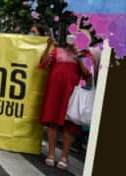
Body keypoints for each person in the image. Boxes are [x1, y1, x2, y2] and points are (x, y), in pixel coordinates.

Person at [39, 33, 92, 169]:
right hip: (54, 92)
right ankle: (51, 154)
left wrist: (79, 55)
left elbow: (87, 73)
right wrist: (49, 45)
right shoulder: (57, 51)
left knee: (70, 125)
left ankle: (64, 157)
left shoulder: (86, 55)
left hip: (71, 94)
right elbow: (43, 64)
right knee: (52, 122)